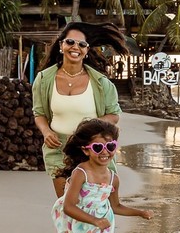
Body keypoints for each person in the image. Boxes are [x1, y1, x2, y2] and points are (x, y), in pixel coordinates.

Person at [32, 22, 123, 198]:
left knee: (94, 206)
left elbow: (114, 115)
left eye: (82, 44)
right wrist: (46, 131)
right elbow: (39, 113)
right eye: (70, 42)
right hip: (59, 150)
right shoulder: (44, 80)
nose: (76, 47)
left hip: (93, 150)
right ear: (61, 45)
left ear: (87, 51)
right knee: (67, 206)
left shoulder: (101, 83)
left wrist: (87, 127)